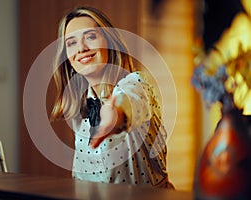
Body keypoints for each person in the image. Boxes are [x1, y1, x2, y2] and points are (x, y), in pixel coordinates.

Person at [50, 6, 174, 189]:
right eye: (71, 43)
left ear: (110, 42)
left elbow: (130, 103)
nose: (82, 48)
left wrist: (115, 115)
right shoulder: (82, 111)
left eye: (90, 37)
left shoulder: (137, 84)